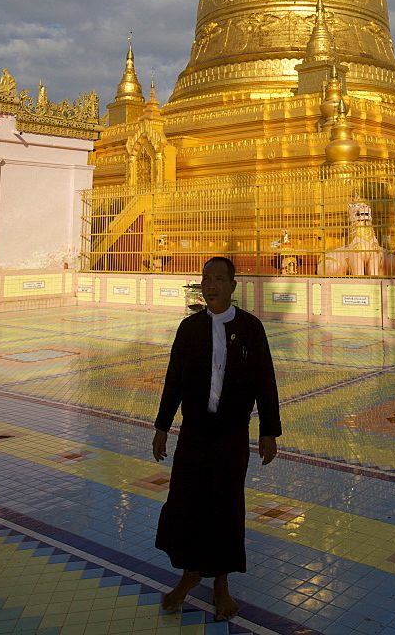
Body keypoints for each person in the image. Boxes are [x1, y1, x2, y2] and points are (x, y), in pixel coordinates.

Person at [152, 256, 281, 619]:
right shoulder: (189, 328)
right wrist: (162, 426)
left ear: (232, 286)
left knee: (224, 508)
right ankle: (190, 574)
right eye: (206, 279)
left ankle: (220, 583)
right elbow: (174, 379)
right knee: (186, 503)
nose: (211, 286)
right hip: (194, 433)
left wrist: (268, 431)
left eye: (219, 279)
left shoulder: (250, 328)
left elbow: (264, 381)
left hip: (231, 435)